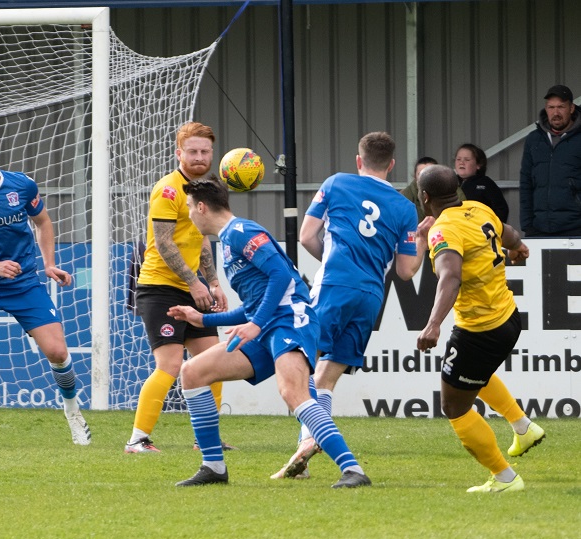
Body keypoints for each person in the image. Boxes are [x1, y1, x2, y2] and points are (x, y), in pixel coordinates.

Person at [167, 175, 371, 488]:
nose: (190, 215)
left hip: (290, 320)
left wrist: (256, 324)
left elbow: (281, 277)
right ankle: (213, 467)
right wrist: (203, 320)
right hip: (267, 327)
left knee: (293, 393)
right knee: (192, 373)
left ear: (203, 208)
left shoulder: (241, 231)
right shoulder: (227, 242)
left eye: (191, 208)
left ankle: (353, 470)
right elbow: (254, 305)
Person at [282, 131, 429, 479]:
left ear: (359, 161)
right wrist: (421, 240)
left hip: (334, 284)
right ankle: (309, 448)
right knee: (328, 379)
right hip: (370, 296)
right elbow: (406, 271)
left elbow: (306, 236)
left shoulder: (336, 184)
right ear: (391, 165)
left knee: (303, 370)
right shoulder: (405, 208)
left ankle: (308, 438)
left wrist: (332, 262)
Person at [0, 126, 91, 448]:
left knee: (57, 350)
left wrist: (49, 263)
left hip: (24, 282)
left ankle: (74, 415)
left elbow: (43, 222)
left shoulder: (21, 185)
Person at [416, 164, 546, 492]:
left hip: (479, 330)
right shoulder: (477, 207)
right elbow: (509, 233)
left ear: (424, 196)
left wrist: (433, 324)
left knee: (454, 405)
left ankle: (504, 478)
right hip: (508, 317)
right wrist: (518, 248)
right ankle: (523, 427)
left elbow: (450, 276)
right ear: (457, 190)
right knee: (475, 377)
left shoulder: (443, 230)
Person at [124, 121, 230, 454]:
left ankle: (206, 440)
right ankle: (137, 439)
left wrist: (213, 282)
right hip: (159, 287)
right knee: (170, 365)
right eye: (192, 151)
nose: (199, 157)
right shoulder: (168, 188)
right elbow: (164, 243)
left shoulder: (207, 187)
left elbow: (201, 240)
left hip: (194, 286)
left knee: (214, 361)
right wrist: (195, 282)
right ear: (178, 152)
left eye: (205, 151)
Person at [520, 84, 581, 237]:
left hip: (575, 227)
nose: (556, 112)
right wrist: (527, 225)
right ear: (546, 109)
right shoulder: (533, 139)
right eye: (551, 107)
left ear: (571, 108)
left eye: (561, 107)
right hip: (538, 228)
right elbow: (526, 183)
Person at [454, 143, 509, 224]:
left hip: (479, 231)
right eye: (458, 159)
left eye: (467, 160)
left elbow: (501, 209)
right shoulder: (449, 183)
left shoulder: (486, 183)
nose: (461, 162)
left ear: (478, 165)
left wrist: (493, 228)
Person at [401, 156, 465, 221]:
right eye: (421, 175)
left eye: (431, 174)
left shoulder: (453, 189)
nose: (427, 178)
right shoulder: (407, 195)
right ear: (415, 177)